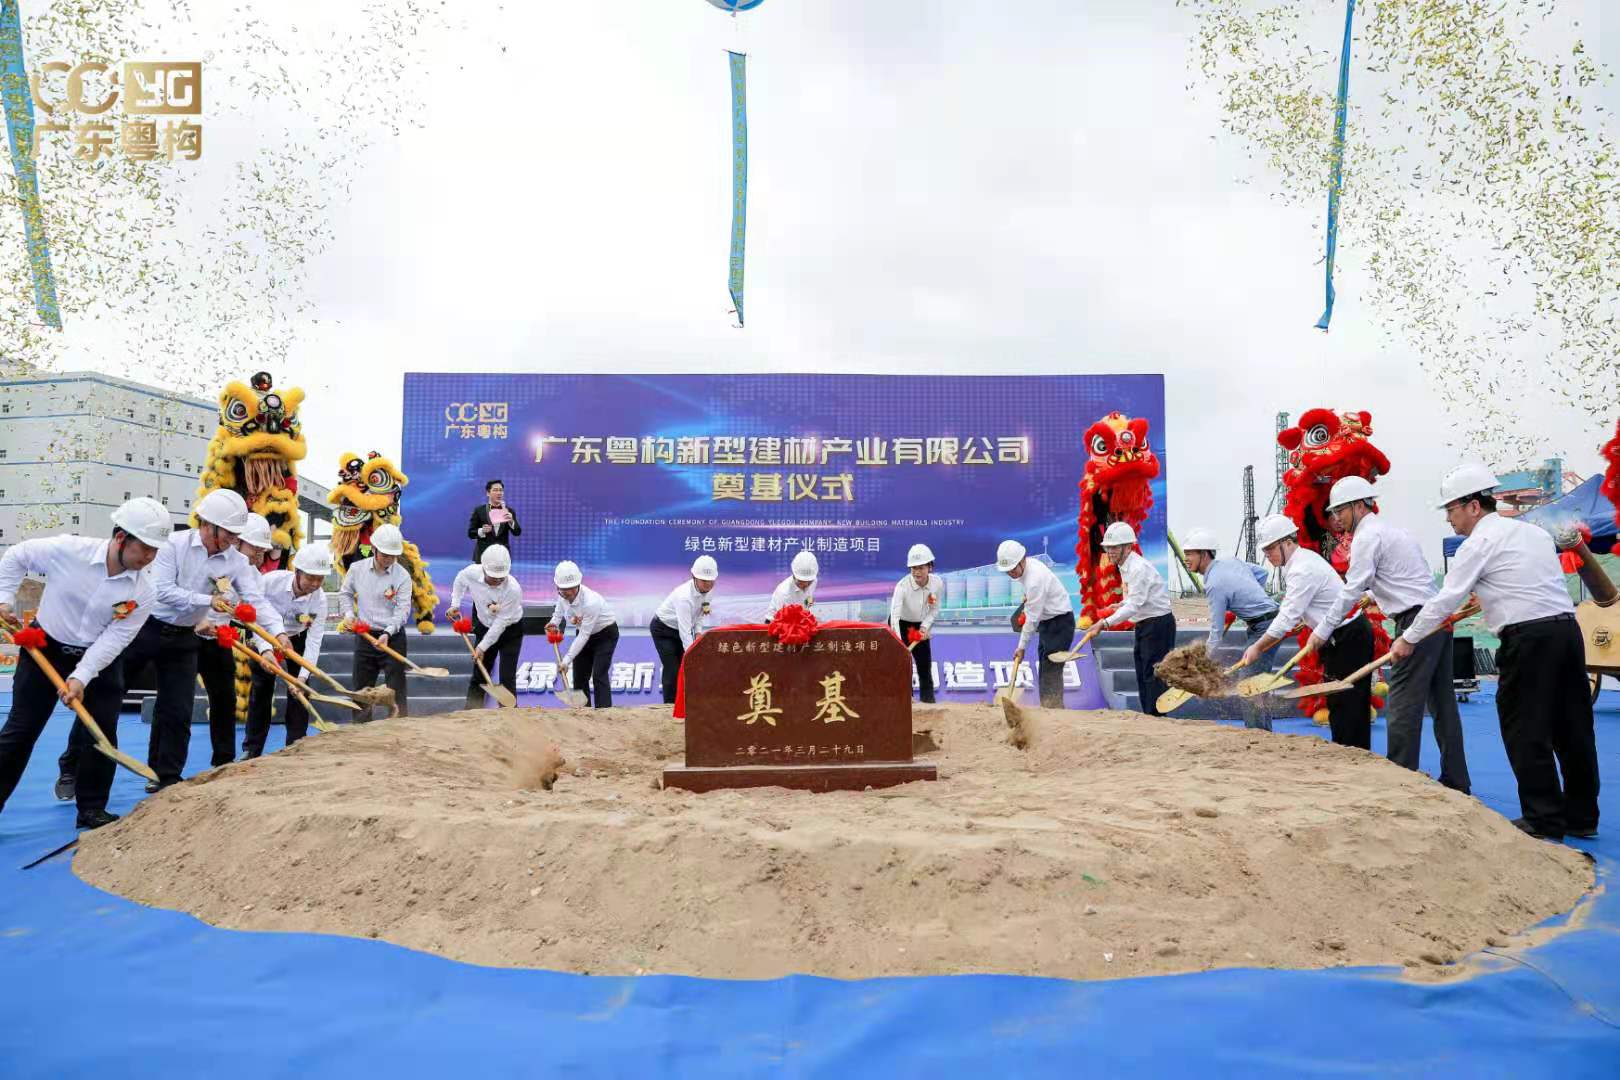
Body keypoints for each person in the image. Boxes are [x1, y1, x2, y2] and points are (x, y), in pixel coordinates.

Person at [1392, 464, 1597, 841]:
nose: (1449, 519)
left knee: (1525, 726)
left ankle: (1544, 818)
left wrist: (1408, 639)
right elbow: (1519, 581)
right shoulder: (1532, 533)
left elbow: (1444, 601)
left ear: (1473, 506)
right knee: (1572, 726)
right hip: (1566, 632)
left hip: (1528, 639)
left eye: (1451, 509)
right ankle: (1582, 816)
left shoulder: (1478, 543)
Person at [0, 498, 168, 829]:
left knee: (101, 731)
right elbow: (16, 556)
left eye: (155, 550)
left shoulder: (144, 591)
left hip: (99, 657)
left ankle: (91, 808)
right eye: (145, 548)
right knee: (21, 730)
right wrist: (4, 598)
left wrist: (82, 676)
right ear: (121, 537)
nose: (150, 557)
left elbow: (115, 638)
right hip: (45, 648)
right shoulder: (68, 551)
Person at [1307, 476, 1470, 793]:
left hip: (1417, 623)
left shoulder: (1367, 536)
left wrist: (1322, 630)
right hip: (1435, 619)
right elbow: (1403, 578)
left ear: (1358, 505)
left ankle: (1399, 785)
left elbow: (1351, 589)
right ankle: (1456, 780)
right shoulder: (1394, 531)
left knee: (1402, 707)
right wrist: (1375, 595)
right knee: (1443, 707)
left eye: (1340, 510)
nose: (1336, 518)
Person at [1241, 515, 1374, 749]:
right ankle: (1344, 753)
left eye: (1270, 548)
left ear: (1287, 542)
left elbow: (1286, 618)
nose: (1267, 555)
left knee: (1349, 705)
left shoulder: (1302, 569)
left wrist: (1257, 647)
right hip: (1335, 636)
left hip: (1349, 637)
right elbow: (1304, 607)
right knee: (1337, 703)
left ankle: (1354, 756)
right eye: (1265, 550)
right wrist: (1306, 621)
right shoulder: (1297, 563)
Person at [1181, 526, 1278, 729]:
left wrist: (1202, 662)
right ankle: (1264, 734)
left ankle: (1257, 735)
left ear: (1204, 554)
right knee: (1256, 683)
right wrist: (1246, 598)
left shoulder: (1214, 585)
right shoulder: (1230, 561)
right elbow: (1262, 573)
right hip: (1264, 622)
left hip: (1265, 626)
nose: (1186, 559)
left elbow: (1216, 633)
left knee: (1247, 684)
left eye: (1190, 553)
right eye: (1185, 553)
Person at [242, 543, 331, 758]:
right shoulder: (269, 582)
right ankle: (252, 750)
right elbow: (255, 619)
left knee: (300, 693)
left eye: (320, 579)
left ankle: (296, 747)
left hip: (297, 640)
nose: (315, 584)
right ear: (297, 571)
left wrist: (302, 676)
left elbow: (314, 640)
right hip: (264, 637)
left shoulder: (320, 600)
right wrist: (265, 650)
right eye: (310, 577)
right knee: (261, 692)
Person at [1078, 524, 1176, 717]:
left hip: (1157, 625)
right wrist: (1121, 604)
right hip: (1144, 624)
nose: (1110, 552)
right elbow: (1134, 599)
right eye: (1108, 547)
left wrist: (1104, 623)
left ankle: (1158, 718)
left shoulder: (1138, 568)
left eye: (1114, 547)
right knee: (1142, 672)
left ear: (1128, 547)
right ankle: (1149, 716)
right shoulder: (1125, 565)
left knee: (1154, 675)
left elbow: (1134, 605)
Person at [339, 523, 413, 720]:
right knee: (361, 690)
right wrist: (349, 614)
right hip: (365, 636)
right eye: (385, 555)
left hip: (393, 637)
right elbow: (345, 594)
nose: (389, 559)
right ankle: (361, 728)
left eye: (393, 556)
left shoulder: (402, 576)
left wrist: (388, 632)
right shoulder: (357, 569)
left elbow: (403, 610)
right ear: (374, 549)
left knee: (396, 689)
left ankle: (399, 727)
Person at [998, 540, 1075, 709]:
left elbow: (1032, 618)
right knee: (1045, 668)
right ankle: (1047, 709)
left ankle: (1054, 712)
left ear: (1022, 560)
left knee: (1051, 670)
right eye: (1007, 571)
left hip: (1060, 623)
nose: (1010, 573)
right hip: (1047, 623)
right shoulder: (1028, 569)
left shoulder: (1034, 579)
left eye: (1012, 568)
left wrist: (1021, 647)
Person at [449, 545, 526, 709]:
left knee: (507, 678)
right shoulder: (471, 573)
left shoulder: (513, 589)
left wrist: (482, 647)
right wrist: (455, 604)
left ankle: (510, 715)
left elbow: (500, 623)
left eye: (501, 578)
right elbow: (460, 580)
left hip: (510, 631)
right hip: (484, 627)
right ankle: (471, 713)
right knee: (479, 674)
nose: (498, 581)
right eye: (493, 577)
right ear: (483, 569)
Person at [547, 560, 620, 708]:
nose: (568, 592)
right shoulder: (562, 595)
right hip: (584, 632)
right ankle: (583, 712)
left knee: (599, 674)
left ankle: (604, 712)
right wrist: (553, 623)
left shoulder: (591, 602)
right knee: (579, 676)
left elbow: (583, 636)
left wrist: (566, 660)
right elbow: (558, 613)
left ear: (578, 584)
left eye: (571, 588)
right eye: (563, 589)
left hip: (605, 634)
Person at [650, 555, 719, 705]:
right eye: (704, 580)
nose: (708, 584)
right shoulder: (684, 597)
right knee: (673, 669)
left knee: (686, 667)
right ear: (694, 577)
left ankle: (686, 703)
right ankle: (669, 706)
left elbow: (701, 613)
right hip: (663, 630)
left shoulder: (709, 591)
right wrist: (692, 652)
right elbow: (685, 630)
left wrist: (699, 633)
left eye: (711, 581)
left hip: (680, 629)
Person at [889, 544, 942, 704]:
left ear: (930, 567)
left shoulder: (937, 583)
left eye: (921, 568)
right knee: (902, 665)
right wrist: (899, 643)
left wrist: (925, 627)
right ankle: (905, 702)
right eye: (913, 568)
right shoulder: (902, 587)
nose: (917, 572)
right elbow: (895, 617)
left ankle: (928, 703)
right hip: (900, 624)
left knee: (924, 665)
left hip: (920, 625)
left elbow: (934, 609)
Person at [468, 479, 521, 563]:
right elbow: (470, 533)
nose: (499, 493)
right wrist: (482, 531)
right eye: (495, 490)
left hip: (502, 556)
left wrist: (511, 521)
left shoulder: (509, 511)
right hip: (483, 555)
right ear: (488, 493)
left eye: (501, 490)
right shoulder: (479, 510)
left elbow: (517, 533)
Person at [766, 551, 818, 618]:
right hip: (777, 620)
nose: (806, 584)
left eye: (809, 581)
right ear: (794, 575)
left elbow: (808, 597)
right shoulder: (784, 593)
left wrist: (808, 603)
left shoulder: (814, 580)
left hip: (799, 615)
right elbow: (786, 619)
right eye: (801, 581)